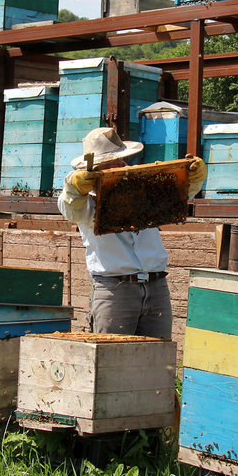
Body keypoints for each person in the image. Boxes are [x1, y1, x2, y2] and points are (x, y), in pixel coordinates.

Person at [58, 127, 207, 338]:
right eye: (111, 163)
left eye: (120, 161)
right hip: (114, 290)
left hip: (157, 287)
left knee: (155, 359)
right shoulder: (84, 202)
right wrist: (73, 184)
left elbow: (177, 195)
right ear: (94, 166)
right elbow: (70, 206)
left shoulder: (142, 186)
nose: (119, 166)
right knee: (111, 361)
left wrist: (194, 178)